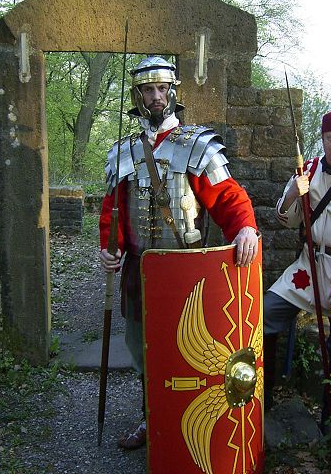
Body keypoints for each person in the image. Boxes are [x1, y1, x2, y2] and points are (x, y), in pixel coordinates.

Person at [99, 56, 258, 449]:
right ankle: (151, 420)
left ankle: (187, 427)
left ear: (173, 93)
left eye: (162, 89)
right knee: (142, 349)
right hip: (140, 268)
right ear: (137, 95)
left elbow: (228, 198)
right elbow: (113, 209)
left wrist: (245, 229)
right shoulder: (123, 152)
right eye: (148, 90)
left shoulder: (197, 146)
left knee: (189, 350)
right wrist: (109, 249)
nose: (156, 97)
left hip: (187, 268)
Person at [263, 109, 331, 428]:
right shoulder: (307, 170)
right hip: (308, 268)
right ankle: (263, 397)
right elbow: (288, 219)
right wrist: (291, 195)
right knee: (266, 312)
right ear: (322, 139)